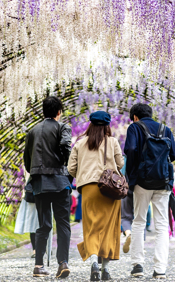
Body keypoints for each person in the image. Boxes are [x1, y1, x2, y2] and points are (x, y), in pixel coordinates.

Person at [123, 102, 175, 279]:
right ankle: (160, 269)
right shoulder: (165, 129)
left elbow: (130, 149)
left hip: (142, 182)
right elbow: (174, 156)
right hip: (163, 182)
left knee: (138, 221)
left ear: (135, 117)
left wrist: (131, 173)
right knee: (162, 225)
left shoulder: (134, 128)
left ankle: (137, 265)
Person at [68, 110, 125, 281]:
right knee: (109, 227)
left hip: (88, 189)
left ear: (90, 124)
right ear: (107, 125)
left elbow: (71, 168)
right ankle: (105, 269)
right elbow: (121, 163)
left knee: (91, 226)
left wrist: (84, 174)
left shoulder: (80, 143)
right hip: (109, 189)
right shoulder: (113, 141)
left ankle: (94, 262)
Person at [24, 95, 73, 278]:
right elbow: (65, 146)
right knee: (63, 223)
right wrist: (65, 165)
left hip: (39, 183)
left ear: (43, 111)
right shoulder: (63, 127)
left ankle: (39, 266)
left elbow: (27, 161)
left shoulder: (33, 131)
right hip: (60, 182)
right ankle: (63, 263)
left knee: (43, 225)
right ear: (59, 112)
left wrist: (36, 172)